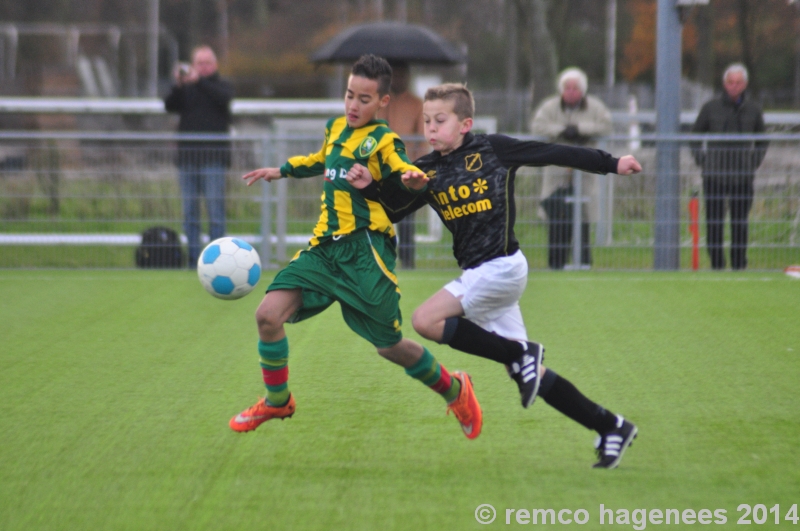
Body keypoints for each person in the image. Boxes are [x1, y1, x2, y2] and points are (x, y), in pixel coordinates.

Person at [347, 83, 641, 468]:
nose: (431, 128)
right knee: (525, 375)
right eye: (426, 121)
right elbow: (392, 209)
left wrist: (611, 162)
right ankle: (610, 426)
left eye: (440, 120)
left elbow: (552, 152)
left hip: (502, 267)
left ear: (465, 123)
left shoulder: (492, 150)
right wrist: (372, 189)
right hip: (482, 276)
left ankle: (522, 352)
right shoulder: (426, 170)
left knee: (425, 320)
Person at [233, 55, 482, 440]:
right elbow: (320, 160)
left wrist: (412, 178)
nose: (353, 105)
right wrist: (279, 170)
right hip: (324, 249)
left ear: (382, 102)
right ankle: (277, 400)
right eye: (349, 95)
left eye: (364, 99)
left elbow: (401, 167)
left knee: (390, 346)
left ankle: (455, 388)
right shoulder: (335, 127)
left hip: (366, 253)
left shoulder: (383, 139)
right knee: (267, 315)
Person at [530, 67, 612, 269]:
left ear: (582, 90)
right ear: (561, 89)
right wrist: (563, 131)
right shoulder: (549, 107)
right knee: (557, 218)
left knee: (582, 218)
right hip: (556, 175)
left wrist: (581, 130)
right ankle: (556, 265)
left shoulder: (596, 107)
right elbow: (538, 127)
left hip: (584, 175)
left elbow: (606, 126)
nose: (571, 91)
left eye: (575, 88)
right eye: (567, 87)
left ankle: (583, 263)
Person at [691, 63, 767, 270]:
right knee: (714, 223)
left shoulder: (753, 109)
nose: (734, 86)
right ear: (725, 84)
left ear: (745, 84)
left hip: (742, 176)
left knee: (739, 224)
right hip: (714, 175)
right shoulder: (710, 108)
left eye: (738, 82)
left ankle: (739, 265)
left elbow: (763, 139)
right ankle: (717, 265)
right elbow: (695, 136)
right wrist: (703, 161)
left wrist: (753, 162)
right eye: (731, 82)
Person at [164, 45, 233, 266]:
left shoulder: (221, 85)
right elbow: (169, 105)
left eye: (206, 63)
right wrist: (178, 84)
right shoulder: (186, 88)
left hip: (214, 159)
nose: (202, 68)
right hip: (188, 159)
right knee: (190, 211)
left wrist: (200, 82)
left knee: (215, 211)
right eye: (198, 63)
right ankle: (194, 260)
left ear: (215, 65)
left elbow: (223, 98)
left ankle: (217, 261)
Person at [377, 61, 426, 269]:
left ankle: (407, 260)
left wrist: (418, 166)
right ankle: (379, 257)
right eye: (394, 75)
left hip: (405, 168)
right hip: (381, 168)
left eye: (401, 75)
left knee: (406, 216)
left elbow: (421, 139)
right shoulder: (380, 102)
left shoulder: (416, 104)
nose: (398, 79)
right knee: (378, 214)